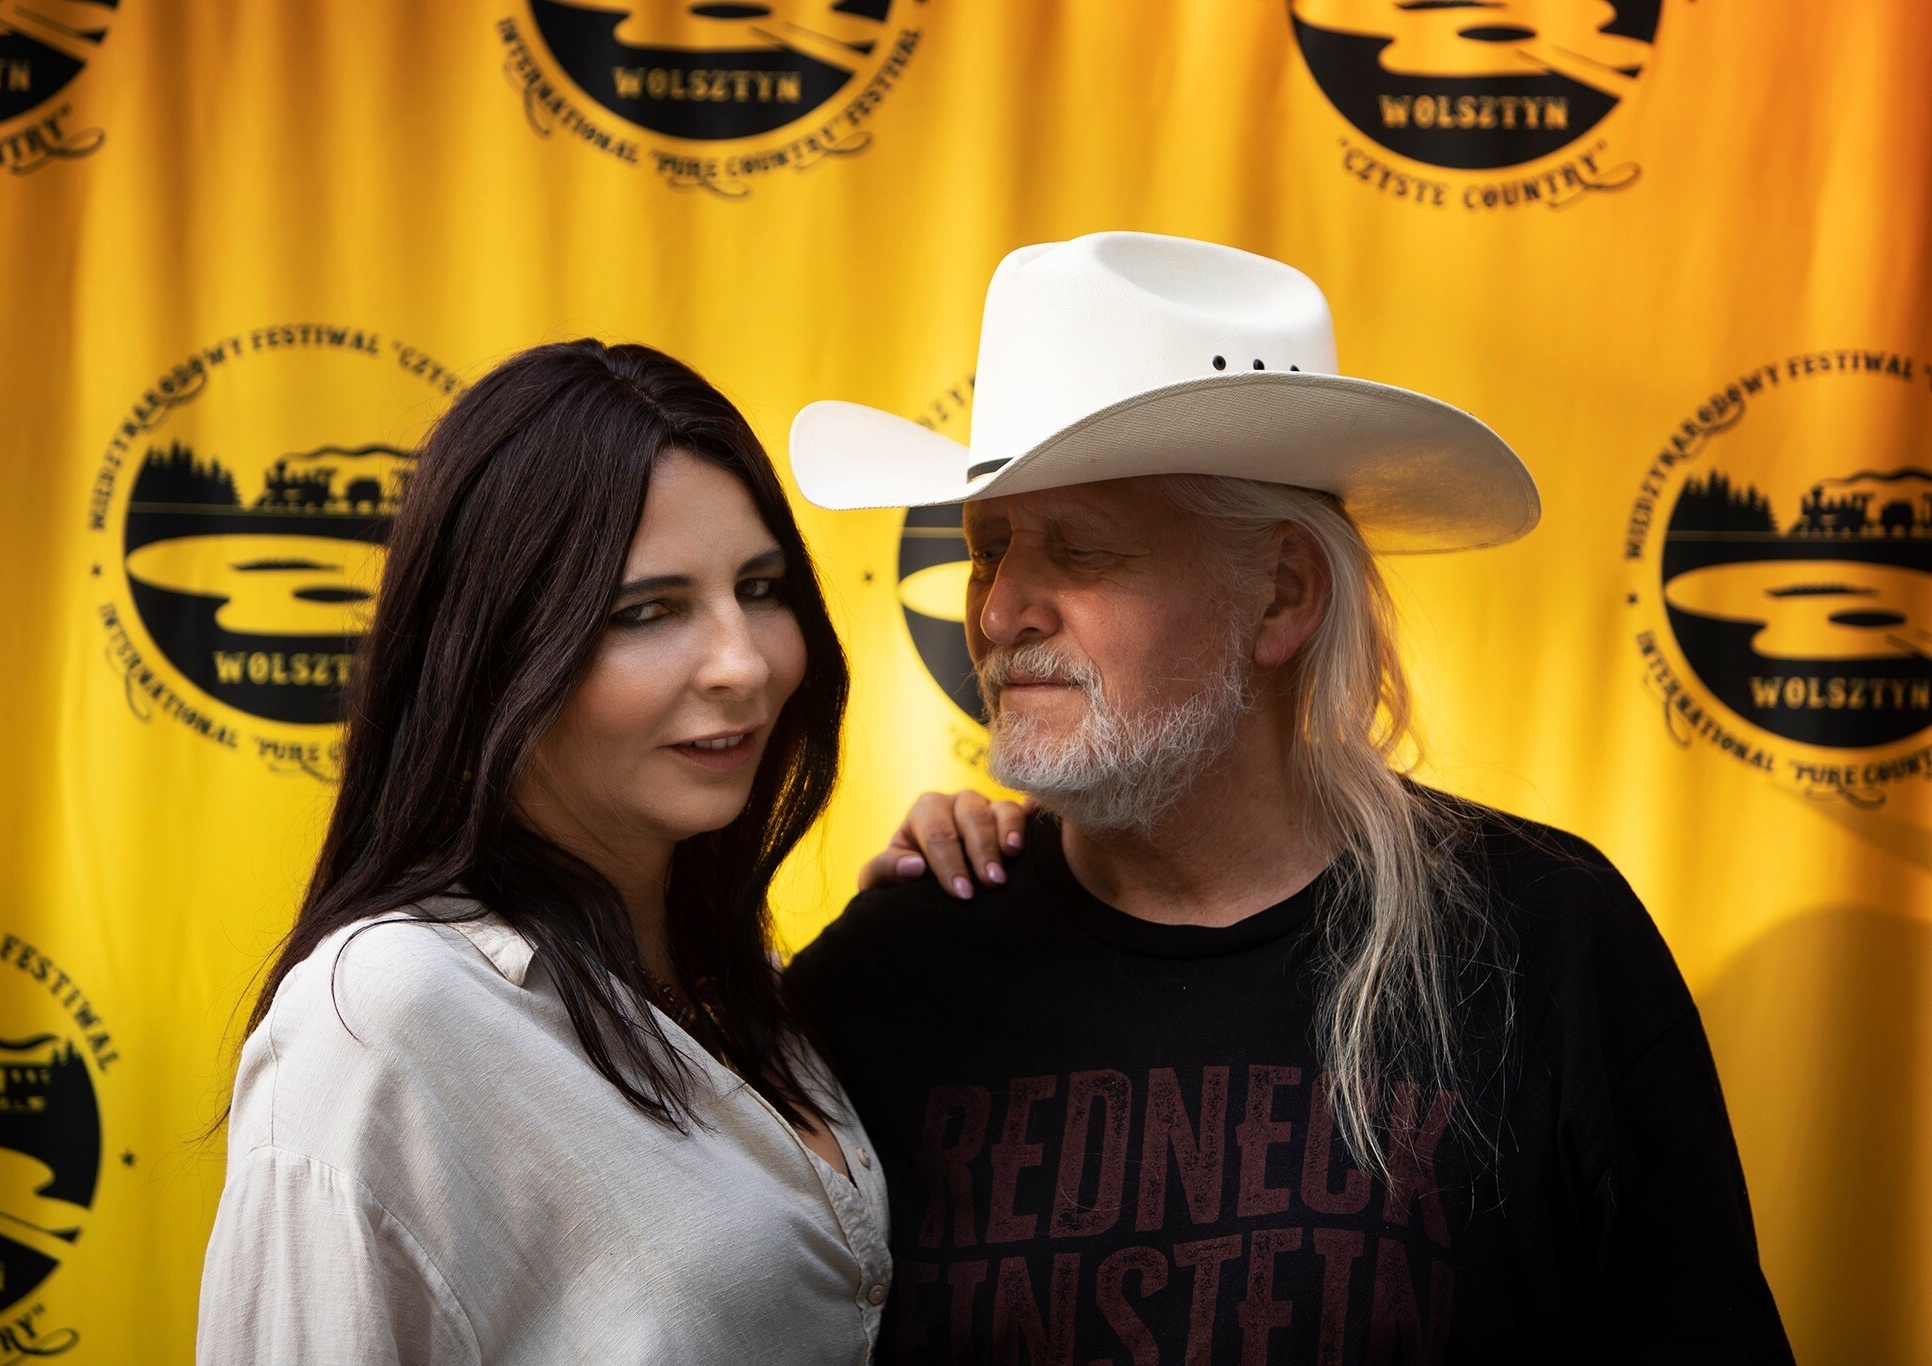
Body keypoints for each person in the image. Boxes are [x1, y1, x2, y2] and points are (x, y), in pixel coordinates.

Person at [784, 233, 1792, 1363]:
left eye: (1079, 550)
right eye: (988, 548)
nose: (998, 609)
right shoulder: (891, 971)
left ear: (1280, 594)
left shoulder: (1540, 938)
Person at [198, 341, 890, 1364]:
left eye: (760, 587)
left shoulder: (743, 982)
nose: (742, 664)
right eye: (646, 611)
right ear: (494, 650)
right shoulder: (384, 1014)